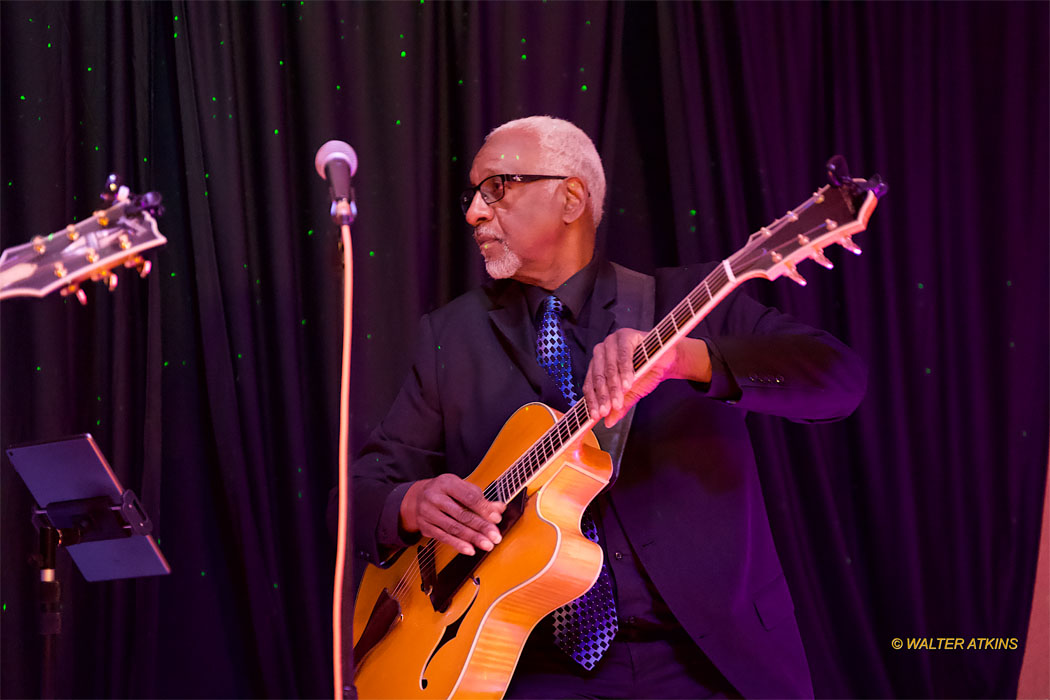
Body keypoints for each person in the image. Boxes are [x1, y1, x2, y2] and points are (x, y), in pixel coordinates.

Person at [349, 116, 866, 698]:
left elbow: (840, 380)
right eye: (473, 194)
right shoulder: (450, 338)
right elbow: (361, 489)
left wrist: (688, 360)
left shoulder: (687, 303)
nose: (473, 212)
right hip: (526, 666)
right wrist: (410, 502)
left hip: (708, 658)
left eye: (496, 188)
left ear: (571, 196)